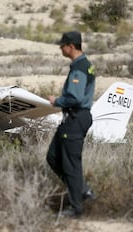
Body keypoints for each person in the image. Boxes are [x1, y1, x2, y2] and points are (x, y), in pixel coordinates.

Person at [47, 31, 96, 218]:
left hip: (76, 118)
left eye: (63, 45)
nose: (61, 48)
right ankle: (82, 189)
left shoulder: (80, 68)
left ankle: (76, 208)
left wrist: (57, 101)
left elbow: (74, 97)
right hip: (72, 119)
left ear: (71, 46)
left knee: (70, 165)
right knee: (53, 156)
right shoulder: (83, 65)